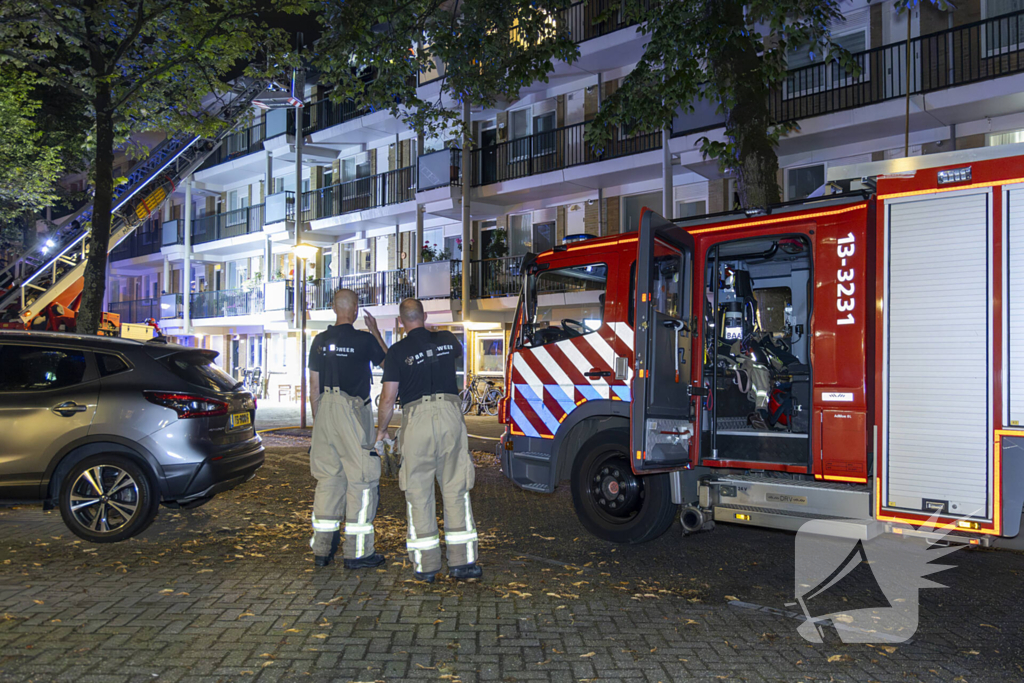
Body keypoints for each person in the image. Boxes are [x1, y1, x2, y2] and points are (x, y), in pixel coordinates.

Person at [376, 298, 481, 583]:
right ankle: (462, 563)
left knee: (419, 493)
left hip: (416, 418)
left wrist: (381, 431)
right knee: (455, 488)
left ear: (400, 322)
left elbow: (388, 398)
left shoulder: (397, 352)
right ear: (424, 315)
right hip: (449, 414)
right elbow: (450, 353)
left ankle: (426, 565)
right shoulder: (447, 338)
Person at [307, 289, 388, 569]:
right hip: (353, 412)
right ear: (355, 310)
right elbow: (391, 367)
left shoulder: (319, 341)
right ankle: (358, 552)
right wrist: (376, 332)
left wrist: (319, 426)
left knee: (328, 480)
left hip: (325, 411)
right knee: (362, 480)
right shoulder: (364, 340)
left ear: (333, 308)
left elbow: (313, 388)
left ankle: (322, 549)